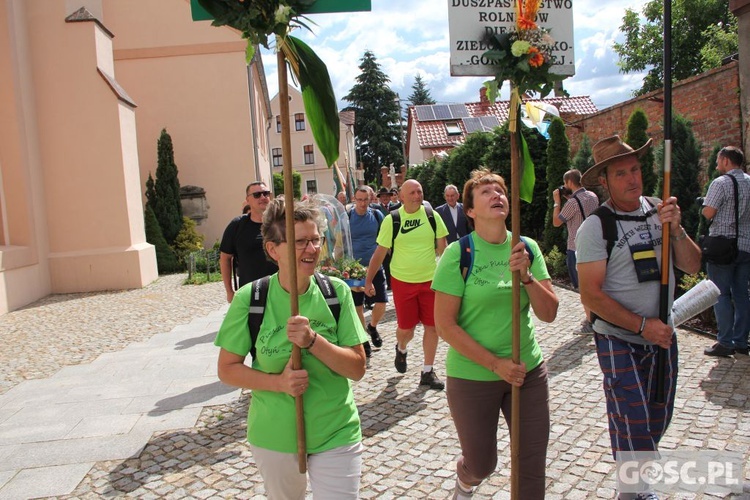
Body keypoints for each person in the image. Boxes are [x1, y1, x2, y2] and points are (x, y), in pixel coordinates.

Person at [215, 198, 368, 499]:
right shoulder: (252, 298)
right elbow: (227, 369)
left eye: (315, 240)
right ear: (273, 249)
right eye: (300, 242)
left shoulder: (336, 293)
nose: (312, 250)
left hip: (336, 430)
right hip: (274, 435)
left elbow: (357, 368)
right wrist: (279, 383)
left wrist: (313, 341)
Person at [576, 136, 701, 500]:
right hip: (619, 338)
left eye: (635, 169)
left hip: (663, 337)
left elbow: (692, 265)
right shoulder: (596, 227)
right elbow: (590, 295)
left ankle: (633, 481)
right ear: (606, 181)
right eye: (621, 173)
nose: (632, 179)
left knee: (657, 418)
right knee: (632, 418)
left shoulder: (659, 212)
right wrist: (643, 326)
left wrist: (676, 229)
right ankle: (634, 491)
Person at [433, 169, 558, 499]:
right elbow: (445, 325)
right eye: (486, 192)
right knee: (482, 463)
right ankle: (465, 478)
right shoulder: (458, 254)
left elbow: (549, 314)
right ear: (470, 210)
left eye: (500, 190)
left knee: (531, 463)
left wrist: (528, 277)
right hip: (473, 375)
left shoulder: (526, 247)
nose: (496, 195)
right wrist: (494, 364)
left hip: (526, 371)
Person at [365, 179, 449, 389]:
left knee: (432, 327)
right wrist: (368, 280)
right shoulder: (392, 219)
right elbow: (379, 253)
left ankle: (427, 371)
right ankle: (401, 348)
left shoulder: (432, 216)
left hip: (431, 281)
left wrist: (448, 277)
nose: (416, 196)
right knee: (406, 329)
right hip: (403, 282)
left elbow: (444, 249)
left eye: (419, 191)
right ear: (401, 197)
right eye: (411, 192)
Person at [701, 146, 750, 357]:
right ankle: (741, 341)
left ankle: (724, 342)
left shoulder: (720, 183)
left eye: (718, 160)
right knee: (742, 294)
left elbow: (708, 212)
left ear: (727, 161)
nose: (716, 164)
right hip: (746, 246)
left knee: (719, 294)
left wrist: (702, 206)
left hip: (722, 246)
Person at [551, 169, 599, 332]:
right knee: (596, 286)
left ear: (569, 183)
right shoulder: (593, 196)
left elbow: (557, 222)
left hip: (576, 248)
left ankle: (590, 323)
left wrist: (557, 202)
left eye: (565, 184)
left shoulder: (572, 203)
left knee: (583, 288)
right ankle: (599, 317)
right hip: (595, 247)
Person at [219, 182, 278, 303]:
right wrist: (229, 291)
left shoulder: (280, 223)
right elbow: (225, 258)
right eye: (257, 195)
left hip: (280, 291)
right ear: (248, 200)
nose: (263, 197)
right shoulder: (237, 225)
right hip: (249, 293)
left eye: (266, 193)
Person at [348, 187, 388, 357]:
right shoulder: (348, 216)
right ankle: (363, 340)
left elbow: (385, 237)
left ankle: (372, 327)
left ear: (370, 199)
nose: (363, 203)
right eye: (359, 199)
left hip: (375, 264)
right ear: (354, 199)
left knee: (382, 302)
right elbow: (340, 239)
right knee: (357, 305)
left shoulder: (377, 215)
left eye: (366, 199)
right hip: (354, 268)